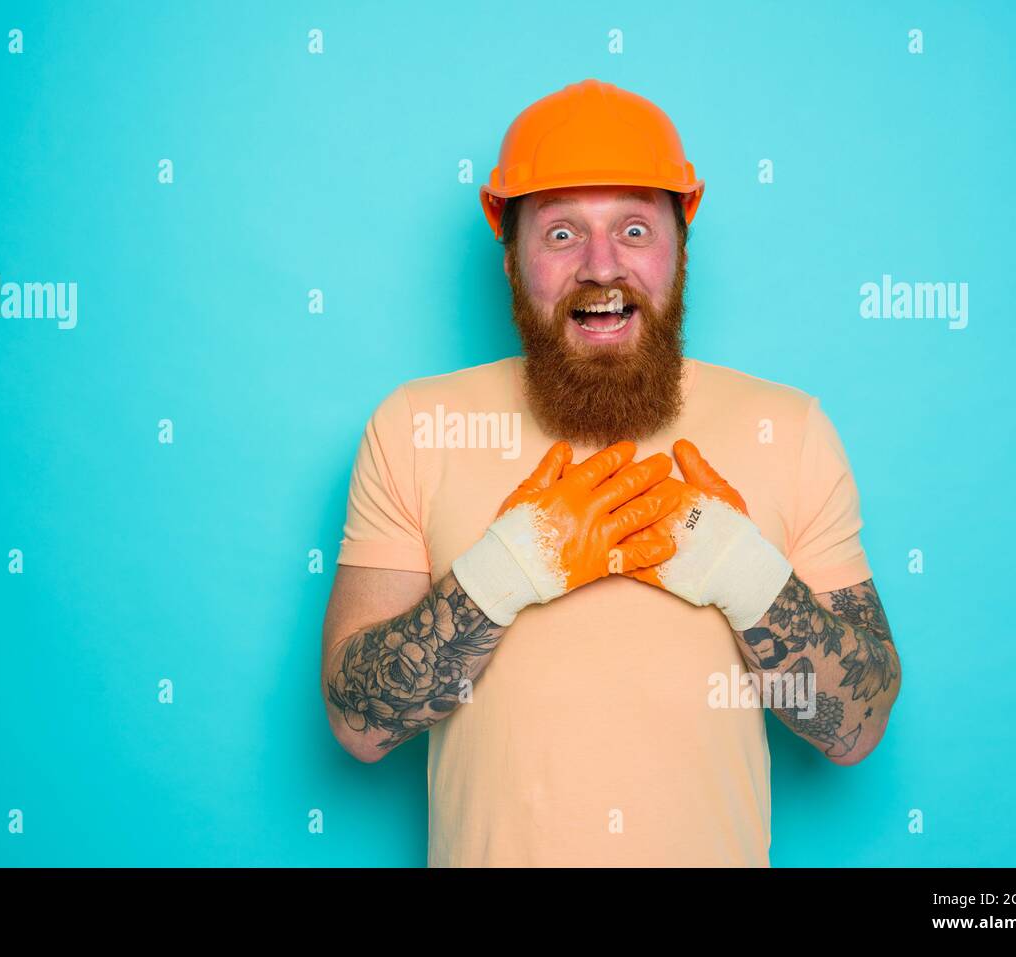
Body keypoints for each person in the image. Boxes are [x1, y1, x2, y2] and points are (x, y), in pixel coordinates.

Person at [321, 78, 902, 867]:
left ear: (680, 247)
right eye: (562, 233)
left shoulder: (791, 429)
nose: (602, 267)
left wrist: (743, 570)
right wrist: (507, 568)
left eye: (634, 228)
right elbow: (358, 722)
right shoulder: (416, 425)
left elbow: (858, 726)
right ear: (510, 257)